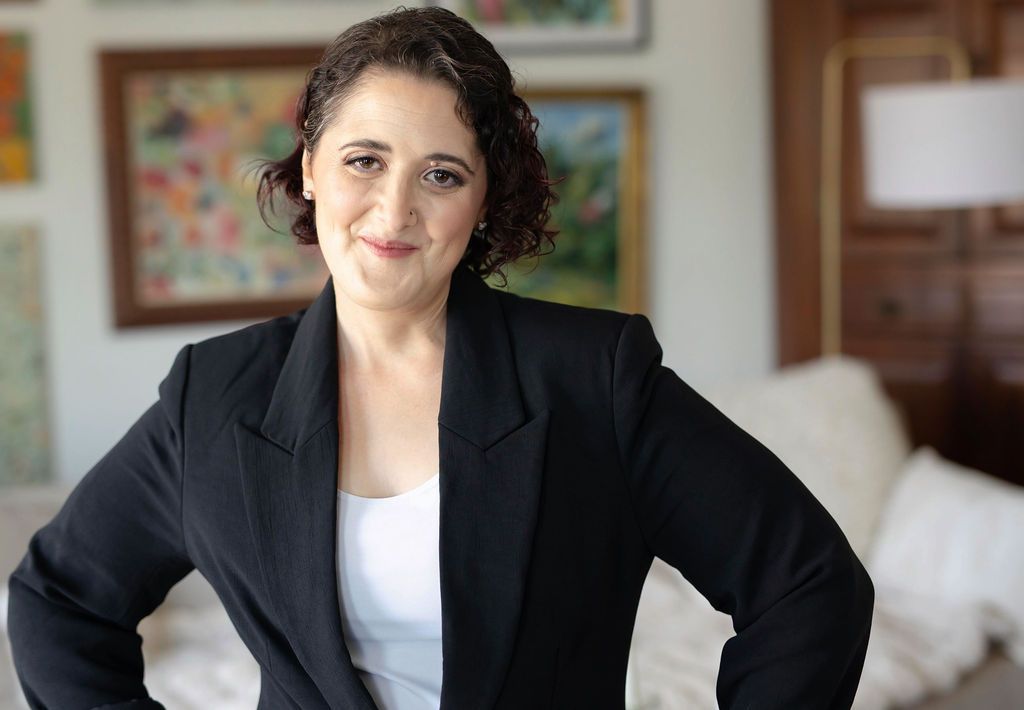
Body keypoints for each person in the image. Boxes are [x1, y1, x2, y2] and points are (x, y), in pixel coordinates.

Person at [6, 6, 874, 710]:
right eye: (363, 160)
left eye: (442, 174)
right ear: (311, 167)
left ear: (484, 199)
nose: (394, 210)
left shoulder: (594, 378)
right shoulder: (216, 394)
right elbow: (60, 602)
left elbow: (806, 586)